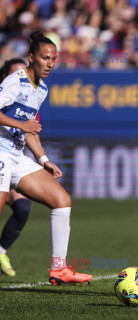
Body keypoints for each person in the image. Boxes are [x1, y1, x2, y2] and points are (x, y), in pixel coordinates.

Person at [0, 31, 93, 284]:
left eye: (54, 58)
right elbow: (23, 125)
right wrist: (22, 126)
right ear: (31, 57)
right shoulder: (14, 81)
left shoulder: (41, 89)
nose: (50, 63)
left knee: (61, 199)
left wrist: (43, 160)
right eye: (45, 58)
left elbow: (29, 130)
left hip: (16, 155)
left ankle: (59, 268)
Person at [0, 58, 32, 277]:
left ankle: (0, 252)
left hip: (8, 160)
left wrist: (44, 159)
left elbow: (28, 133)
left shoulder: (28, 102)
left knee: (22, 207)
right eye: (16, 76)